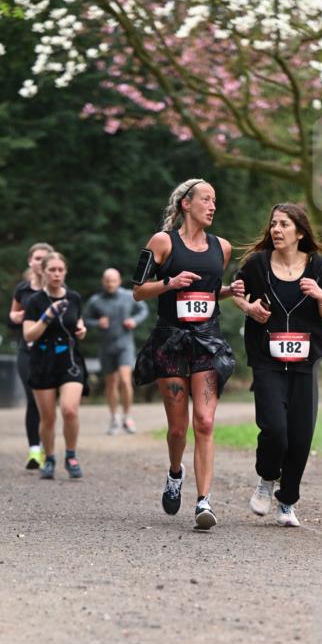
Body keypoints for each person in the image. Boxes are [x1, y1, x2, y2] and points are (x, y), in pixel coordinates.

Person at [133, 177, 240, 530]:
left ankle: (204, 502)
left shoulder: (221, 247)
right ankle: (175, 473)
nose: (212, 206)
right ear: (186, 204)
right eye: (206, 200)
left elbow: (209, 293)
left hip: (207, 342)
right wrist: (169, 283)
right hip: (170, 343)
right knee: (178, 429)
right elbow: (138, 292)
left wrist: (229, 291)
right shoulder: (162, 242)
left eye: (215, 201)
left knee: (205, 423)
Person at [233, 203, 322, 527]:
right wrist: (249, 308)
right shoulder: (256, 265)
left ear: (300, 232)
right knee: (275, 429)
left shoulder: (318, 266)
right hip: (267, 359)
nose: (276, 230)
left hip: (306, 362)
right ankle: (266, 478)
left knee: (301, 436)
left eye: (283, 225)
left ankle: (287, 501)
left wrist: (321, 296)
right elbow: (239, 294)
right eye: (273, 224)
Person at [22, 251, 88, 480]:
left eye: (60, 270)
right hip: (42, 361)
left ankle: (71, 455)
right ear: (44, 271)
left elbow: (77, 320)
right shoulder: (34, 301)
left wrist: (81, 329)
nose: (57, 274)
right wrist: (46, 316)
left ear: (65, 272)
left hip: (69, 360)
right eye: (52, 270)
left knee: (69, 409)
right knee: (48, 417)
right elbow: (29, 335)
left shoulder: (74, 297)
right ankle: (49, 458)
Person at [84, 267, 149, 435]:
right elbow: (85, 319)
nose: (110, 283)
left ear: (119, 281)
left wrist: (133, 321)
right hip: (106, 346)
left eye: (113, 280)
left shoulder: (128, 296)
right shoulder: (95, 301)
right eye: (107, 280)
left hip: (125, 345)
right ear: (103, 282)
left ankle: (127, 416)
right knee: (111, 383)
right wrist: (97, 323)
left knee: (126, 381)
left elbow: (144, 310)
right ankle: (114, 418)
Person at [7, 241, 54, 468]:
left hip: (54, 353)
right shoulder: (22, 290)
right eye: (37, 258)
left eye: (46, 259)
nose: (41, 263)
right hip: (27, 351)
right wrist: (16, 318)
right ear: (30, 261)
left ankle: (47, 448)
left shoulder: (57, 290)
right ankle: (35, 451)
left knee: (48, 403)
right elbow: (11, 317)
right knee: (33, 399)